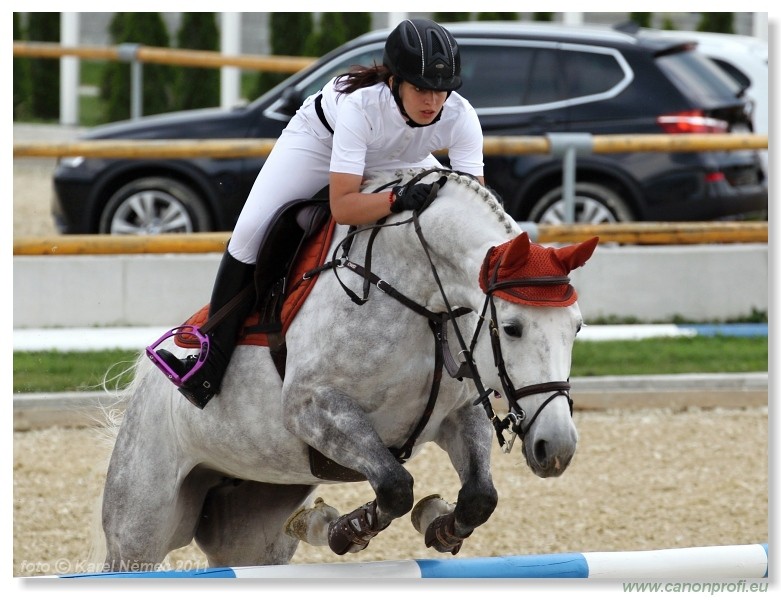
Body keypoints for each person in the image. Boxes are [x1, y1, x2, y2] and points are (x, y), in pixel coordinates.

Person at [148, 18, 485, 409]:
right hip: (319, 142)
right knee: (250, 233)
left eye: (441, 91)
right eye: (421, 89)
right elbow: (343, 207)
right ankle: (208, 355)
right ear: (394, 81)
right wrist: (396, 200)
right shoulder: (362, 106)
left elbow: (471, 206)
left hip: (397, 152)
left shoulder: (460, 116)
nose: (432, 102)